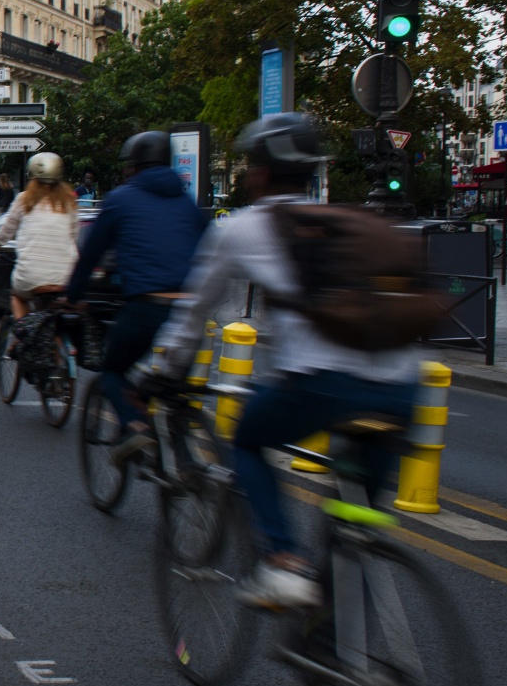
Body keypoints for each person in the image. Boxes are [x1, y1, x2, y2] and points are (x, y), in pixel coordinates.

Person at [157, 113, 420, 611]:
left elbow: (193, 315)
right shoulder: (344, 222)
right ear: (312, 172)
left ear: (258, 173)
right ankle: (341, 663)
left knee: (248, 441)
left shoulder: (243, 228)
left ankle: (282, 561)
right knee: (355, 526)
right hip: (403, 386)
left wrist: (167, 372)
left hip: (324, 382)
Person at [63, 131, 208, 458]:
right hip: (192, 311)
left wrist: (74, 293)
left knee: (114, 369)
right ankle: (189, 469)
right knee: (170, 386)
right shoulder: (186, 202)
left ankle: (136, 427)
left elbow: (91, 254)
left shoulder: (120, 199)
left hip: (147, 306)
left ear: (133, 166)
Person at [0, 153, 78, 319]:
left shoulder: (24, 199)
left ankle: (22, 337)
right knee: (54, 316)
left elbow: (6, 233)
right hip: (67, 275)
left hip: (31, 275)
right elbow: (74, 237)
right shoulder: (69, 202)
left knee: (18, 296)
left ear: (31, 177)